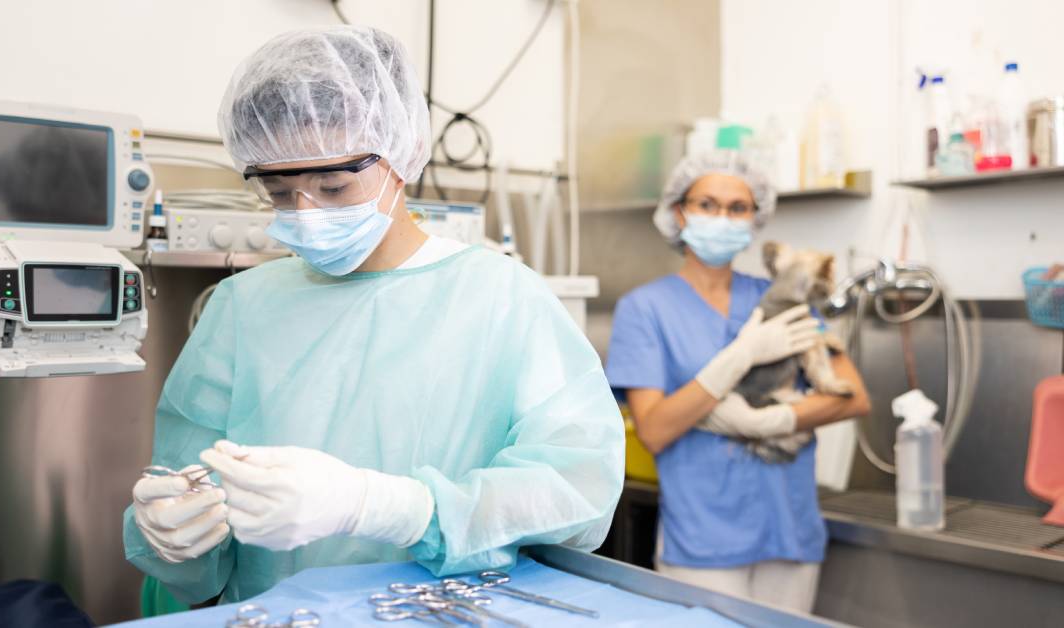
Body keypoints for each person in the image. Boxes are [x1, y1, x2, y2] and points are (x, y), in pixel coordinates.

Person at [122, 25, 624, 606]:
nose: (306, 214)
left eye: (333, 186)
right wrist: (173, 533)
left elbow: (578, 490)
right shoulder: (241, 308)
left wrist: (393, 509)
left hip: (452, 613)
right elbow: (188, 486)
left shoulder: (501, 298)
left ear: (403, 153)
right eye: (281, 194)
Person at [604, 150, 871, 613]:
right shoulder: (644, 310)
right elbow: (655, 428)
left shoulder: (780, 296)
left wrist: (770, 420)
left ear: (755, 219)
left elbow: (852, 395)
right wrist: (739, 357)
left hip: (789, 529)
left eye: (737, 208)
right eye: (707, 204)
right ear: (678, 212)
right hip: (703, 538)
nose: (722, 217)